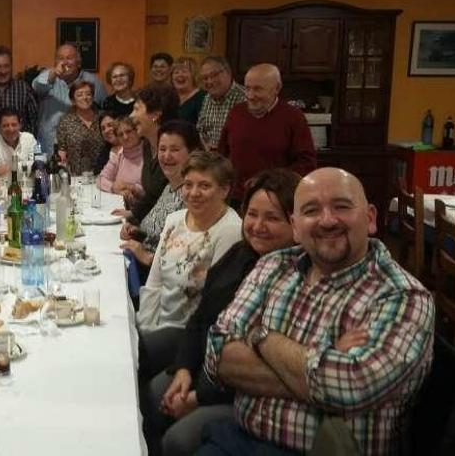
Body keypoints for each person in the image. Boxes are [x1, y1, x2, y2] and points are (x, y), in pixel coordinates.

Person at [200, 167, 435, 455]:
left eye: (341, 206)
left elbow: (348, 388)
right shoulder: (273, 266)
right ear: (296, 226)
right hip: (238, 439)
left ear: (371, 218)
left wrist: (259, 335)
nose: (327, 220)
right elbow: (216, 355)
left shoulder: (403, 296)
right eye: (312, 210)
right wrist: (323, 363)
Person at [142, 169, 301, 456]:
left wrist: (196, 397)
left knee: (177, 437)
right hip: (203, 360)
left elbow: (255, 368)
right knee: (147, 375)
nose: (258, 225)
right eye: (252, 214)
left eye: (272, 218)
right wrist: (183, 370)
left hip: (239, 391)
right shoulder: (240, 253)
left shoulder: (292, 275)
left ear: (296, 223)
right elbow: (202, 316)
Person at [136, 151, 241, 381]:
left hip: (189, 335)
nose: (193, 193)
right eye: (188, 185)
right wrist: (144, 328)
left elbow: (211, 305)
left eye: (204, 186)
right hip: (158, 324)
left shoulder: (230, 231)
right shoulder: (174, 220)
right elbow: (154, 283)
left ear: (224, 190)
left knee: (133, 359)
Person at [219, 63, 316, 206]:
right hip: (235, 197)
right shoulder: (236, 112)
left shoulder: (293, 117)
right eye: (247, 88)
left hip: (275, 199)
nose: (250, 95)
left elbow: (307, 163)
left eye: (258, 89)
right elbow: (222, 154)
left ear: (276, 88)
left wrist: (269, 179)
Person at [118, 120, 202, 274]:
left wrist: (147, 257)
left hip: (153, 277)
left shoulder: (193, 197)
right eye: (162, 149)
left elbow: (185, 259)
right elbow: (156, 236)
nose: (166, 156)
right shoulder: (169, 187)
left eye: (175, 149)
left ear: (193, 152)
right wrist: (136, 231)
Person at [113, 83, 179, 224]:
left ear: (155, 114)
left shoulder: (176, 151)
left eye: (136, 109)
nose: (131, 116)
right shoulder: (148, 145)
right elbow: (152, 195)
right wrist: (133, 213)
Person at [32, 43, 107, 155]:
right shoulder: (48, 76)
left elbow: (104, 111)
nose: (65, 62)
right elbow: (36, 87)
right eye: (60, 58)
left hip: (82, 151)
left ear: (78, 62)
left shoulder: (93, 81)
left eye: (69, 58)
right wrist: (54, 73)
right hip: (48, 148)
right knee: (42, 173)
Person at [0, 45, 39, 138]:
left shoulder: (23, 88)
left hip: (19, 148)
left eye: (6, 66)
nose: (3, 71)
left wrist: (25, 142)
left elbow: (34, 119)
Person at [195, 56, 245, 151]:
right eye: (205, 78)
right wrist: (205, 144)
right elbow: (200, 129)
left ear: (228, 73)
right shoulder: (207, 98)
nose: (210, 81)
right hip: (210, 157)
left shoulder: (244, 98)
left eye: (214, 75)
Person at [55, 81, 103, 176]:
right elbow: (61, 150)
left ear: (93, 97)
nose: (85, 98)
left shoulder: (102, 118)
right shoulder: (65, 121)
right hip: (76, 176)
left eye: (88, 94)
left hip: (102, 175)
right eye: (79, 95)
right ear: (73, 100)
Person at [0, 106, 37, 179]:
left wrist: (8, 168)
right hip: (2, 187)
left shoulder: (29, 138)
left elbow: (37, 168)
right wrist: (26, 166)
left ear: (20, 125)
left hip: (27, 186)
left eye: (14, 125)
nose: (11, 129)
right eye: (5, 126)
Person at [99, 116, 144, 198]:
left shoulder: (149, 153)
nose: (125, 137)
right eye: (120, 134)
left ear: (137, 130)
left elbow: (152, 190)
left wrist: (132, 188)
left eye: (128, 131)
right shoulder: (119, 155)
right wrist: (113, 187)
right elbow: (101, 179)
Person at [171, 57, 206, 125]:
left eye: (184, 71)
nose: (180, 75)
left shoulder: (203, 97)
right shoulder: (169, 96)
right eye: (176, 72)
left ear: (193, 76)